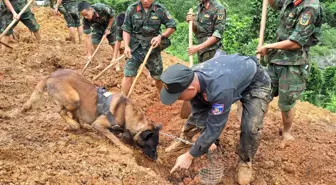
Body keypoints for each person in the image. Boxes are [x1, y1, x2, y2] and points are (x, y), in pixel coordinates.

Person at [160, 54, 271, 185]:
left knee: (251, 127)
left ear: (191, 88)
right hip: (230, 78)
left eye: (178, 97)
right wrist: (205, 140)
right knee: (196, 116)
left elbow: (216, 125)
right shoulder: (192, 77)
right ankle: (186, 139)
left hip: (254, 82)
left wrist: (190, 156)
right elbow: (199, 112)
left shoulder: (220, 90)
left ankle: (245, 161)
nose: (178, 100)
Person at [256, 0, 322, 146]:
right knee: (263, 94)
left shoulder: (310, 7)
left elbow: (296, 42)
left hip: (294, 64)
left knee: (286, 103)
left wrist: (268, 46)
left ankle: (286, 132)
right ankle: (256, 128)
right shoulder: (290, 1)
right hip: (275, 59)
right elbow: (275, 4)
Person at [121, 0, 176, 96]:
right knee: (128, 74)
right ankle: (123, 101)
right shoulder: (132, 8)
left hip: (152, 49)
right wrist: (126, 46)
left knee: (158, 78)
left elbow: (172, 26)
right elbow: (126, 29)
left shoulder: (160, 9)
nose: (146, 1)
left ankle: (163, 97)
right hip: (135, 48)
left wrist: (160, 37)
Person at [78, 1, 117, 69]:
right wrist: (89, 54)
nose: (85, 17)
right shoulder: (85, 20)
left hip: (110, 24)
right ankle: (100, 64)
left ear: (90, 9)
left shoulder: (101, 7)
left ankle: (116, 64)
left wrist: (108, 28)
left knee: (113, 43)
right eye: (83, 15)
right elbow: (87, 37)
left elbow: (112, 16)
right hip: (97, 26)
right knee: (94, 42)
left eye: (86, 14)